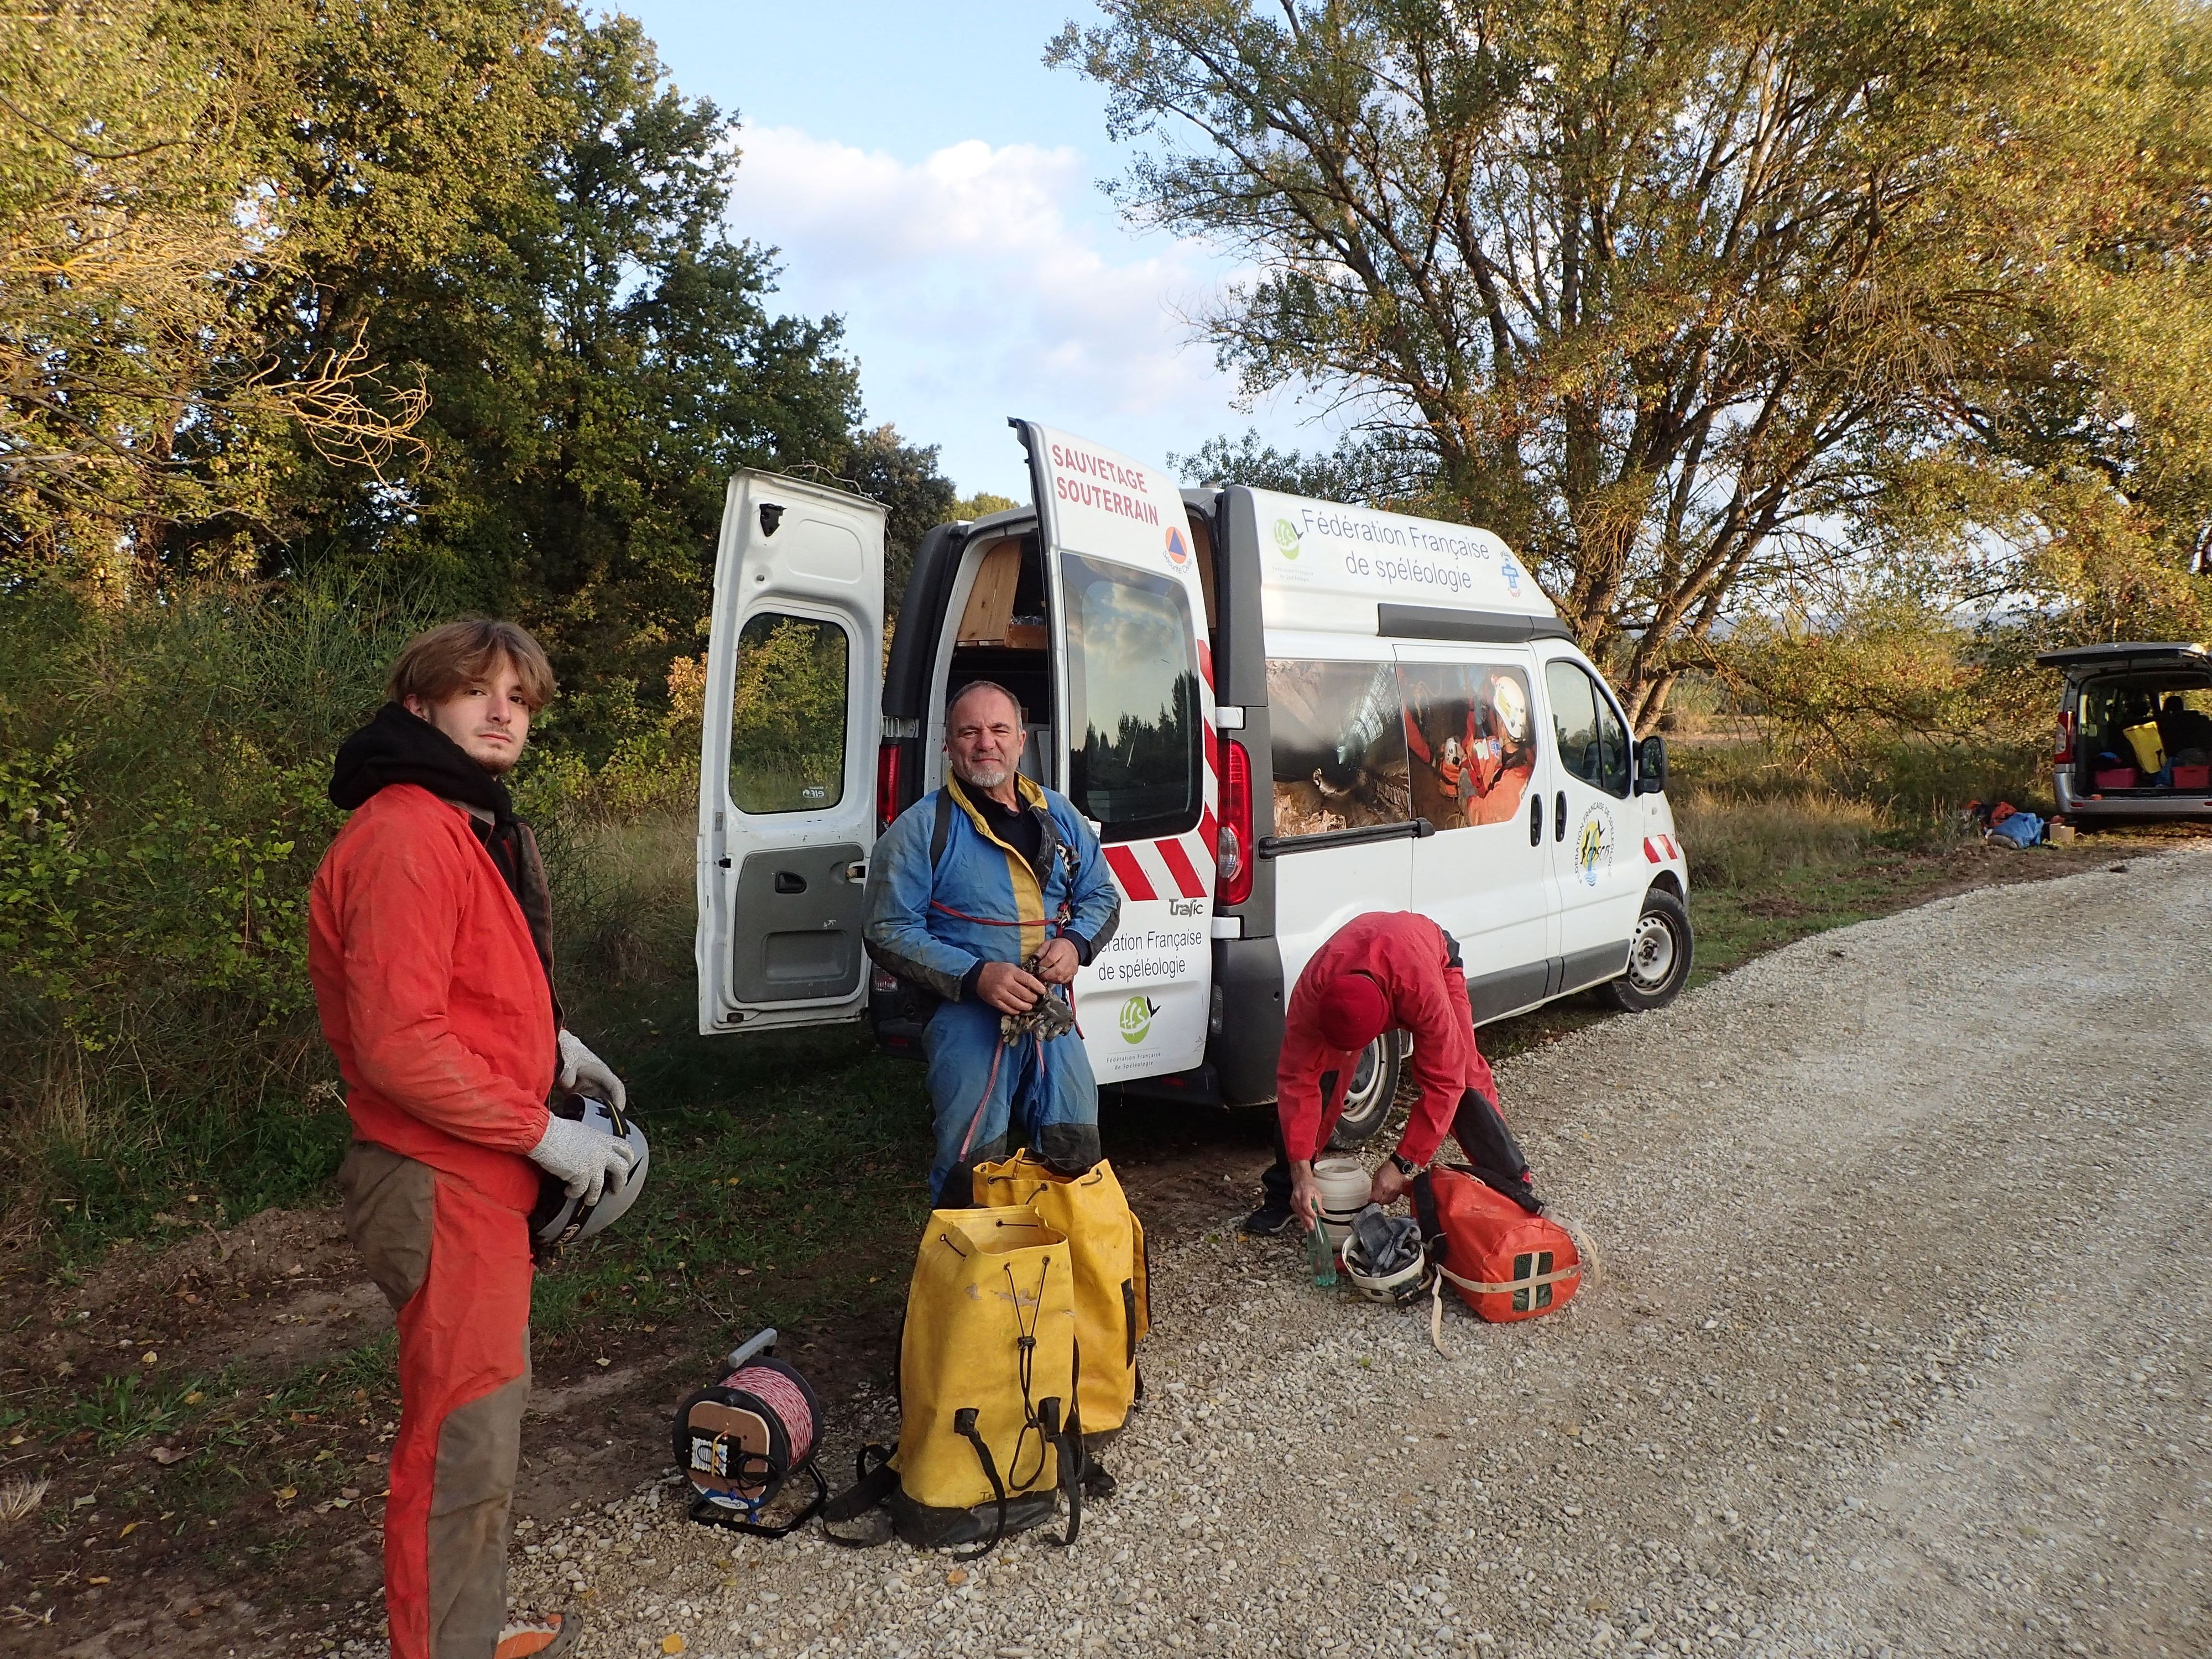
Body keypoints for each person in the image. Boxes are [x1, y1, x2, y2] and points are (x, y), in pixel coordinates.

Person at [309, 619, 637, 1659]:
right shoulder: (408, 834)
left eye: (519, 698)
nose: (503, 712)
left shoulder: (461, 823)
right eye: (476, 691)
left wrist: (551, 1045)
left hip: (473, 1178)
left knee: (479, 1435)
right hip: (441, 1181)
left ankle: (465, 1631)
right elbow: (402, 1049)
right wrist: (544, 1130)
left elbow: (461, 993)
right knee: (462, 1446)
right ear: (420, 707)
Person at [864, 680, 1121, 1205]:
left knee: (1075, 1146)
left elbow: (1102, 895)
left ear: (1021, 740)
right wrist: (977, 976)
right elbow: (887, 930)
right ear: (948, 744)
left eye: (999, 729)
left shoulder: (1058, 814)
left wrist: (1074, 944)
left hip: (1050, 1016)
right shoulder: (920, 830)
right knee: (974, 1163)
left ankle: (1062, 1268)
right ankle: (971, 1278)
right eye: (970, 731)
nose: (987, 742)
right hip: (966, 1019)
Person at [1244, 910, 1529, 1237]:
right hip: (1364, 962)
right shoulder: (1313, 992)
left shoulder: (1423, 995)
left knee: (1464, 1074)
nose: (1351, 1056)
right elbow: (1297, 1081)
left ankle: (1512, 1187)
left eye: (1356, 1049)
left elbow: (1445, 1085)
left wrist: (1402, 1164)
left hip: (1431, 958)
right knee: (1322, 1075)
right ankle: (1290, 1194)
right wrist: (1301, 1174)